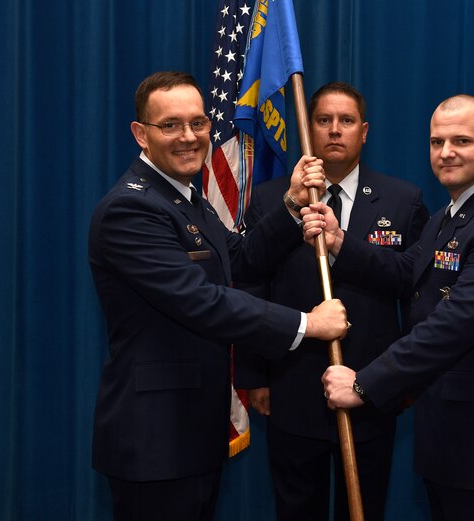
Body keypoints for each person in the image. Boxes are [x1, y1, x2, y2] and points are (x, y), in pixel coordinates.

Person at [87, 71, 348, 521]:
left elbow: (240, 259)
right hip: (156, 440)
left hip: (193, 431)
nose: (189, 137)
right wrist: (308, 324)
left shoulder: (186, 199)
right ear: (140, 134)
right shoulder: (130, 209)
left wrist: (289, 205)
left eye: (198, 123)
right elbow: (202, 301)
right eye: (170, 125)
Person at [309, 94, 474, 521]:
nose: (445, 153)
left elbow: (451, 326)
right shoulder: (452, 215)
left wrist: (363, 385)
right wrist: (339, 243)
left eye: (461, 141)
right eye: (436, 142)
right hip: (453, 439)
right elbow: (407, 271)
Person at [233, 82, 429, 520]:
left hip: (372, 387)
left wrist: (406, 378)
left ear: (365, 131)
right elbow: (249, 283)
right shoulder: (269, 198)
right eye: (323, 120)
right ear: (310, 129)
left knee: (364, 508)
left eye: (346, 121)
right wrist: (254, 375)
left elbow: (416, 292)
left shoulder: (403, 199)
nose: (335, 131)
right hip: (291, 383)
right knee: (296, 508)